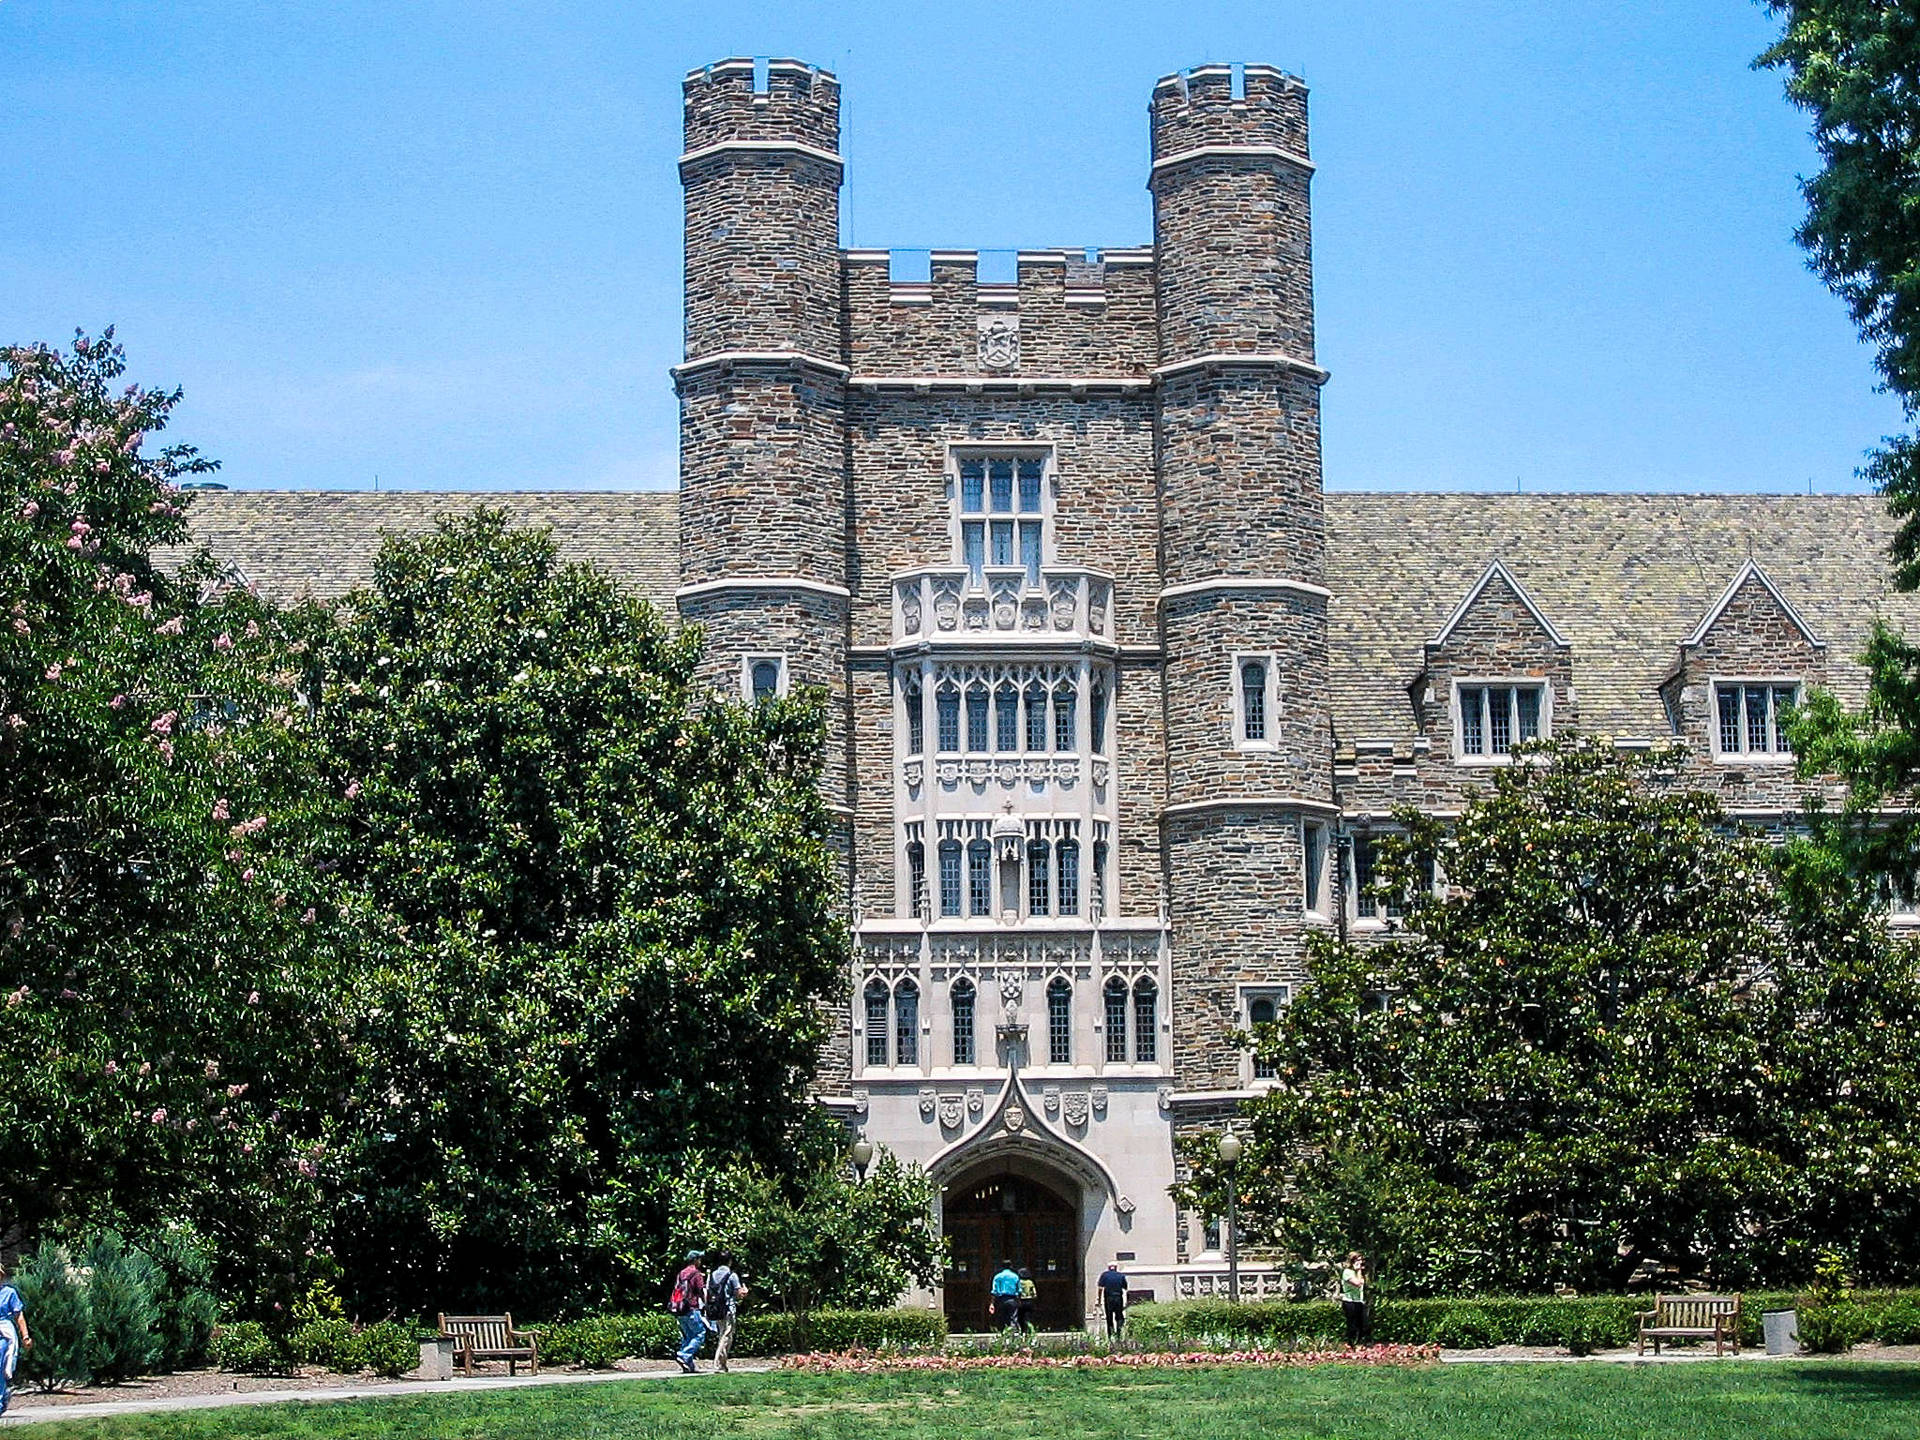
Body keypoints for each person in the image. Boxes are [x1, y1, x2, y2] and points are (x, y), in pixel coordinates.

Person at [705, 1250, 747, 1373]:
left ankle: (723, 1365)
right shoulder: (731, 1275)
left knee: (722, 1335)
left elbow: (708, 1292)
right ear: (729, 1261)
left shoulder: (712, 1275)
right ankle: (718, 1364)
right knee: (726, 1336)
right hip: (728, 1309)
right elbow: (739, 1293)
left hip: (716, 1309)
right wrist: (745, 1291)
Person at [670, 1249, 709, 1373]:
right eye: (699, 1259)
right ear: (696, 1260)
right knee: (699, 1334)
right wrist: (707, 1304)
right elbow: (701, 1291)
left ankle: (689, 1366)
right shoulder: (696, 1274)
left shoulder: (681, 1274)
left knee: (688, 1337)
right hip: (692, 1308)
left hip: (680, 1309)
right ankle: (683, 1355)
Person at [0, 1266, 31, 1417]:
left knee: (0, 1366)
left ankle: (0, 1401)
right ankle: (4, 1395)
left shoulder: (9, 1293)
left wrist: (25, 1336)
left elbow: (19, 1316)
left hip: (4, 1334)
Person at [1339, 1252, 1371, 1346]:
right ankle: (1351, 1343)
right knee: (1352, 1324)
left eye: (1361, 1260)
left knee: (1362, 1324)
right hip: (1349, 1302)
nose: (1360, 1262)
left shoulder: (1357, 1272)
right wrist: (1359, 1271)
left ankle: (1360, 1343)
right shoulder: (1347, 1272)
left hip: (1359, 1301)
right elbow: (1358, 1283)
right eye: (1358, 1260)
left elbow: (1363, 1283)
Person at [1097, 1260, 1130, 1339]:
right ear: (1116, 1268)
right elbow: (1125, 1288)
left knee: (1109, 1317)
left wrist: (1099, 1300)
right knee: (1119, 1316)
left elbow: (1100, 1288)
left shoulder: (1104, 1275)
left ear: (1109, 1268)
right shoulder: (1121, 1275)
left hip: (1108, 1298)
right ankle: (1119, 1333)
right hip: (1118, 1298)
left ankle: (1110, 1334)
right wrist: (1126, 1302)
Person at [990, 1259, 1021, 1333]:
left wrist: (992, 1303)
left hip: (1001, 1299)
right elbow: (1019, 1290)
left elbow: (994, 1291)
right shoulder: (1015, 1276)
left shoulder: (997, 1277)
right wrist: (1018, 1300)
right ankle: (1013, 1334)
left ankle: (1002, 1333)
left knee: (1001, 1318)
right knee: (1013, 1318)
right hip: (1012, 1299)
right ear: (1011, 1266)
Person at [1016, 1268, 1037, 1337]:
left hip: (1021, 1300)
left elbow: (1017, 1291)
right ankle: (1030, 1331)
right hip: (1029, 1300)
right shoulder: (1030, 1282)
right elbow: (1034, 1293)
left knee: (1020, 1317)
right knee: (1028, 1317)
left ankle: (1022, 1331)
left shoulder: (1019, 1282)